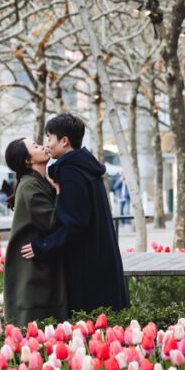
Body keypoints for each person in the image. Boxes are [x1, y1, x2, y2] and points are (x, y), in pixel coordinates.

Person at [21, 113, 128, 314]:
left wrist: (43, 246)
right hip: (101, 259)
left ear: (64, 141)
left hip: (88, 264)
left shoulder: (71, 172)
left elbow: (75, 223)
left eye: (49, 138)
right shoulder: (83, 167)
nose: (47, 144)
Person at [3, 138, 67, 326]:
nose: (43, 146)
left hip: (39, 266)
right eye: (36, 146)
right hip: (33, 271)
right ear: (27, 161)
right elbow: (53, 221)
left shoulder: (38, 182)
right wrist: (59, 192)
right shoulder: (30, 186)